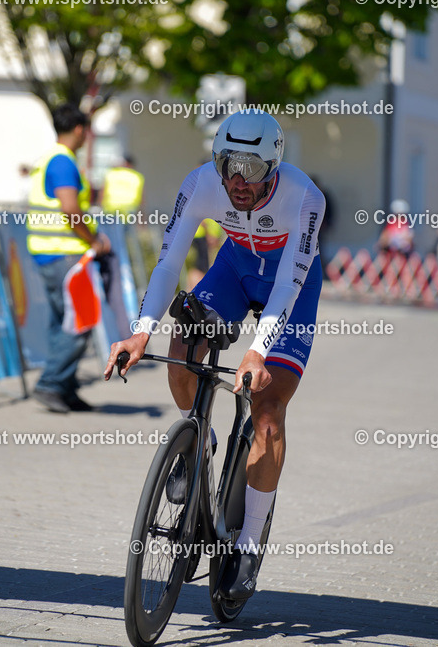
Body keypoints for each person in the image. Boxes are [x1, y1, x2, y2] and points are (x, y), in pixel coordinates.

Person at [105, 110, 325, 600]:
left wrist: (255, 352)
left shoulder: (306, 198)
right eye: (228, 163)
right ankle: (194, 443)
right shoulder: (202, 183)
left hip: (289, 288)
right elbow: (167, 262)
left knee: (268, 413)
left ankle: (248, 546)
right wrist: (141, 331)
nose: (236, 180)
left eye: (250, 168)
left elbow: (288, 285)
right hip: (235, 269)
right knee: (181, 345)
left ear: (274, 167)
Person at [27, 103, 111, 413]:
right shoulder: (63, 163)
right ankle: (51, 384)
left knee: (60, 323)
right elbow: (71, 210)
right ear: (79, 129)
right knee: (80, 322)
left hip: (48, 254)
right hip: (65, 255)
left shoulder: (47, 158)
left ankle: (65, 389)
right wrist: (94, 240)